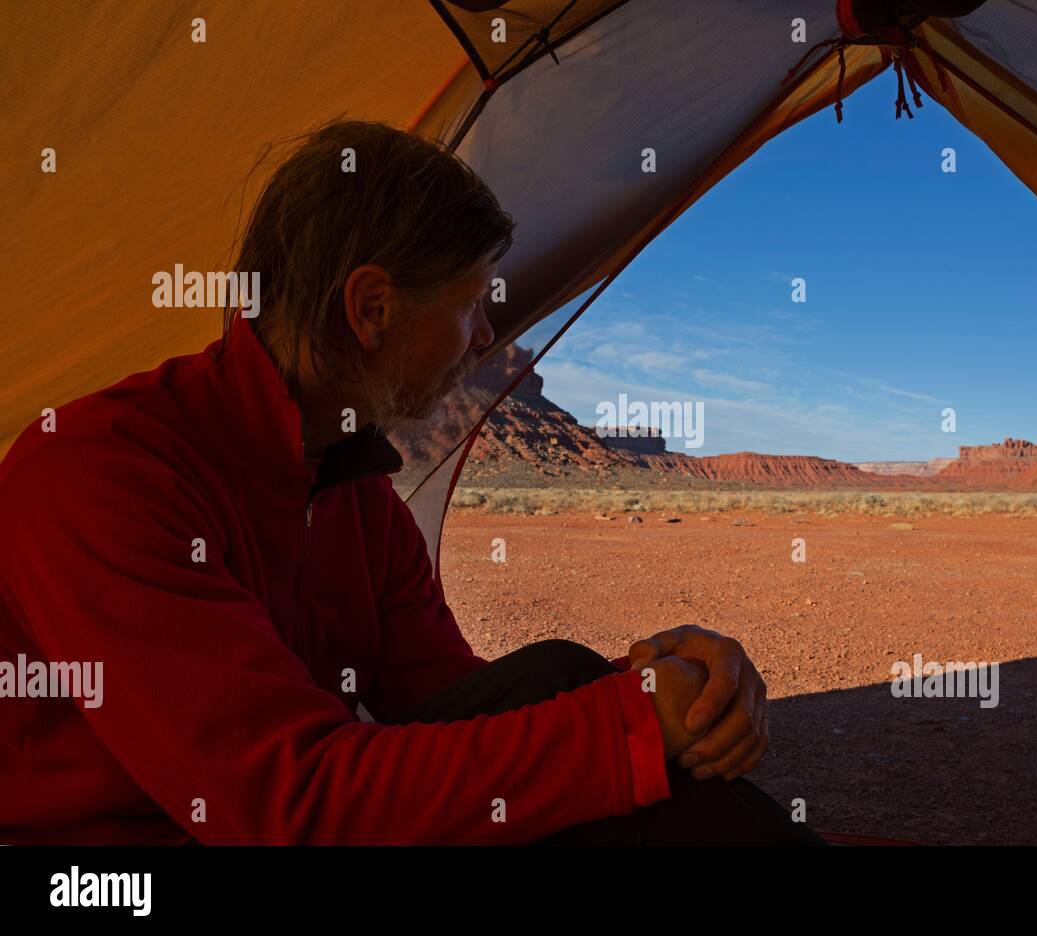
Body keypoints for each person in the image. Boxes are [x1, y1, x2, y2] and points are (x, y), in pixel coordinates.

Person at [0, 119, 825, 845]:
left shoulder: (354, 486)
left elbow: (451, 700)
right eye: (472, 303)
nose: (487, 333)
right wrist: (630, 726)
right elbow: (289, 806)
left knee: (558, 675)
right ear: (373, 309)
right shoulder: (99, 473)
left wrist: (659, 689)